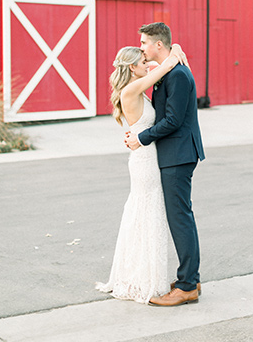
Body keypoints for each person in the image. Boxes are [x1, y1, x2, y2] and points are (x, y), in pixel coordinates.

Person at [96, 42, 189, 304]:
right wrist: (174, 53)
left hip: (147, 154)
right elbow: (165, 66)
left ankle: (147, 275)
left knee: (147, 215)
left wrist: (176, 47)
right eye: (142, 61)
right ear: (131, 68)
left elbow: (163, 64)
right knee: (148, 215)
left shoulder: (137, 88)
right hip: (145, 161)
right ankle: (145, 280)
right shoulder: (131, 88)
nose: (146, 63)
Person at [125, 22, 205, 307]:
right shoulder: (168, 71)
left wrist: (141, 138)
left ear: (159, 45)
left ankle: (186, 286)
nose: (142, 48)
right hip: (174, 153)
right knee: (182, 216)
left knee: (180, 218)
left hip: (179, 154)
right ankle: (190, 279)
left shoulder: (178, 75)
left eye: (145, 43)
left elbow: (172, 120)